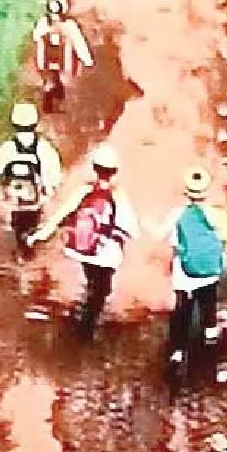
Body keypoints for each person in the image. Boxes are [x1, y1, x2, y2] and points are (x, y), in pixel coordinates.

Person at [159, 167, 227, 365]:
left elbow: (160, 235)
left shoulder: (177, 214)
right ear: (207, 191)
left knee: (182, 309)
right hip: (209, 273)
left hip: (184, 274)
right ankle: (210, 334)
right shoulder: (218, 217)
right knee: (208, 301)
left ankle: (177, 351)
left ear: (186, 191)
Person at [29, 142, 138, 336]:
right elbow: (132, 230)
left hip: (83, 250)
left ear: (95, 168)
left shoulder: (83, 191)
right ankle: (87, 324)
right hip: (107, 254)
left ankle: (87, 307)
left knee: (92, 280)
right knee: (103, 288)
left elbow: (61, 215)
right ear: (115, 171)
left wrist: (41, 234)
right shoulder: (119, 196)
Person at [0, 102, 62, 248]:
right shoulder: (44, 148)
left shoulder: (7, 148)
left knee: (15, 232)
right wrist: (49, 192)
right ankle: (29, 244)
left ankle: (19, 246)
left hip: (12, 204)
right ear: (35, 123)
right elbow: (54, 178)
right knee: (33, 229)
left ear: (13, 124)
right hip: (35, 203)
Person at [32, 0, 94, 112]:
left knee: (56, 80)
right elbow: (79, 43)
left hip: (54, 62)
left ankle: (53, 101)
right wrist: (87, 61)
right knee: (58, 81)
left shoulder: (48, 24)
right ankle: (54, 102)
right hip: (56, 63)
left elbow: (36, 38)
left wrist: (87, 60)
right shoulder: (64, 25)